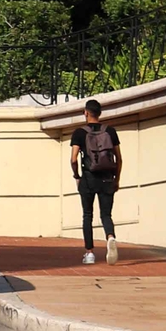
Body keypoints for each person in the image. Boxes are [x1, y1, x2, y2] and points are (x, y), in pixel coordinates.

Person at [68, 99, 122, 265]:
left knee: (87, 215)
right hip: (107, 177)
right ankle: (110, 237)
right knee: (106, 214)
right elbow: (119, 158)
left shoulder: (79, 133)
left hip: (88, 178)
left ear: (86, 112)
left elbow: (74, 158)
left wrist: (76, 176)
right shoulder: (110, 131)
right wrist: (117, 179)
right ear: (99, 113)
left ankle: (89, 253)